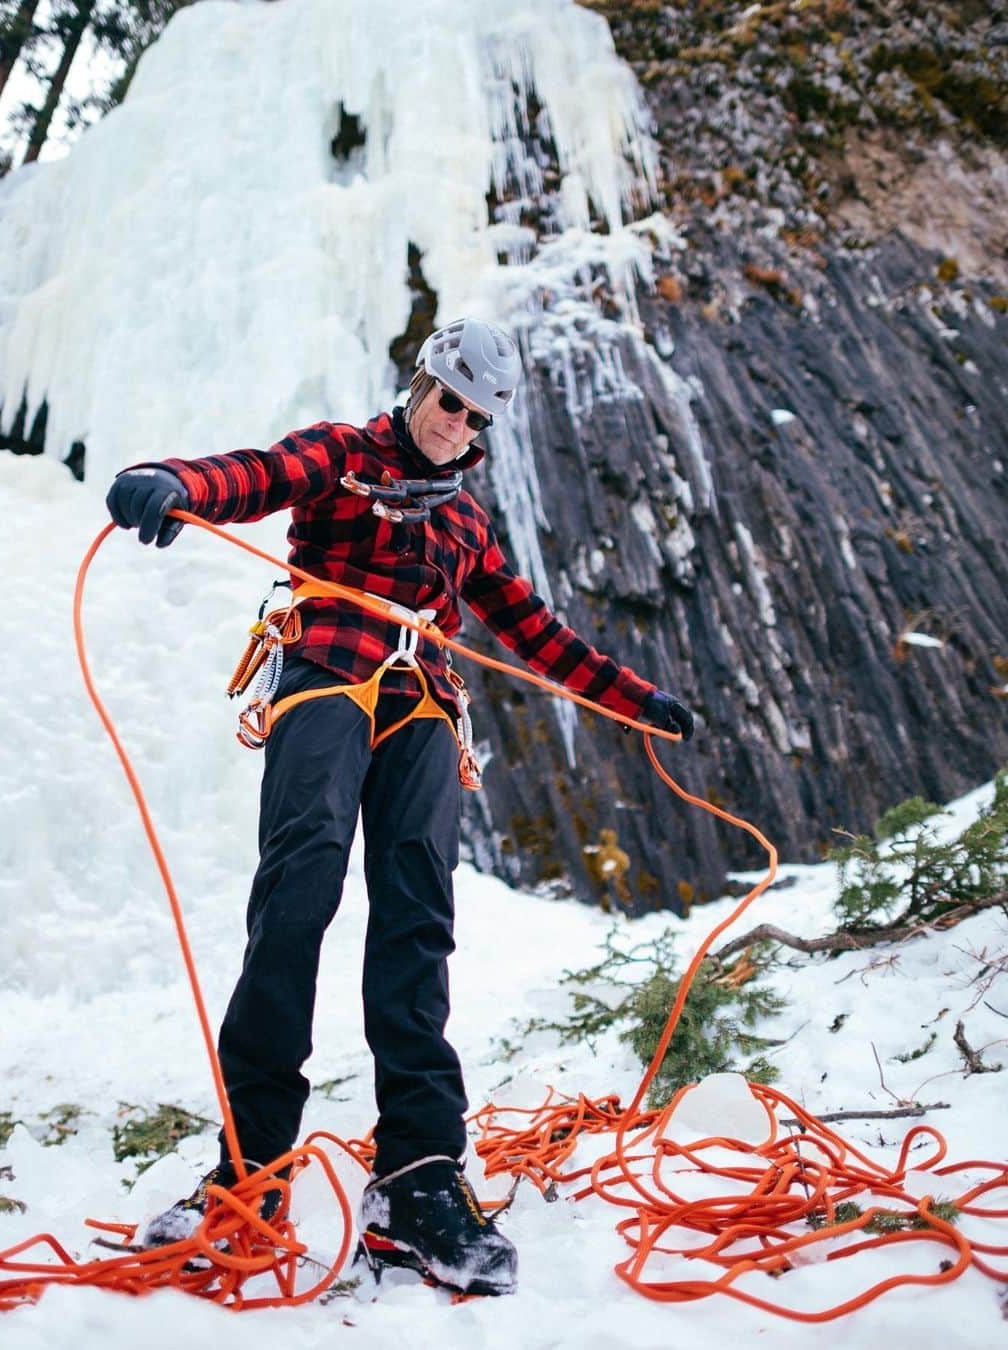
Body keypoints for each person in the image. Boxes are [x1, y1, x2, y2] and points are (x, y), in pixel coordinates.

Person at [105, 317, 694, 1297]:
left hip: (422, 705)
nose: (453, 423)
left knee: (418, 922)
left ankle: (418, 1181)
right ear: (421, 384)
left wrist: (636, 702)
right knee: (297, 895)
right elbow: (252, 473)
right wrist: (170, 481)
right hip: (325, 676)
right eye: (447, 399)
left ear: (481, 433)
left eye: (473, 418)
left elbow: (537, 634)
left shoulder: (464, 526)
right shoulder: (342, 455)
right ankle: (249, 1175)